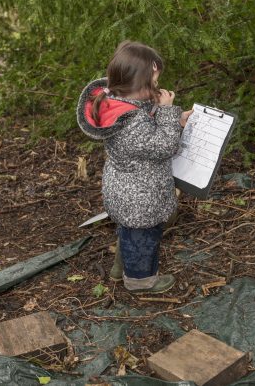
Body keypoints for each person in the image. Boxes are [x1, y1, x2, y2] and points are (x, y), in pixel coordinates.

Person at [77, 41, 192, 294]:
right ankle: (141, 280)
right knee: (143, 237)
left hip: (128, 190)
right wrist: (167, 112)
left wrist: (177, 118)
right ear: (139, 83)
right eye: (153, 81)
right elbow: (164, 146)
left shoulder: (120, 104)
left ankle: (120, 269)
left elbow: (146, 119)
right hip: (139, 194)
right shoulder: (130, 122)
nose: (156, 87)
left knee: (130, 231)